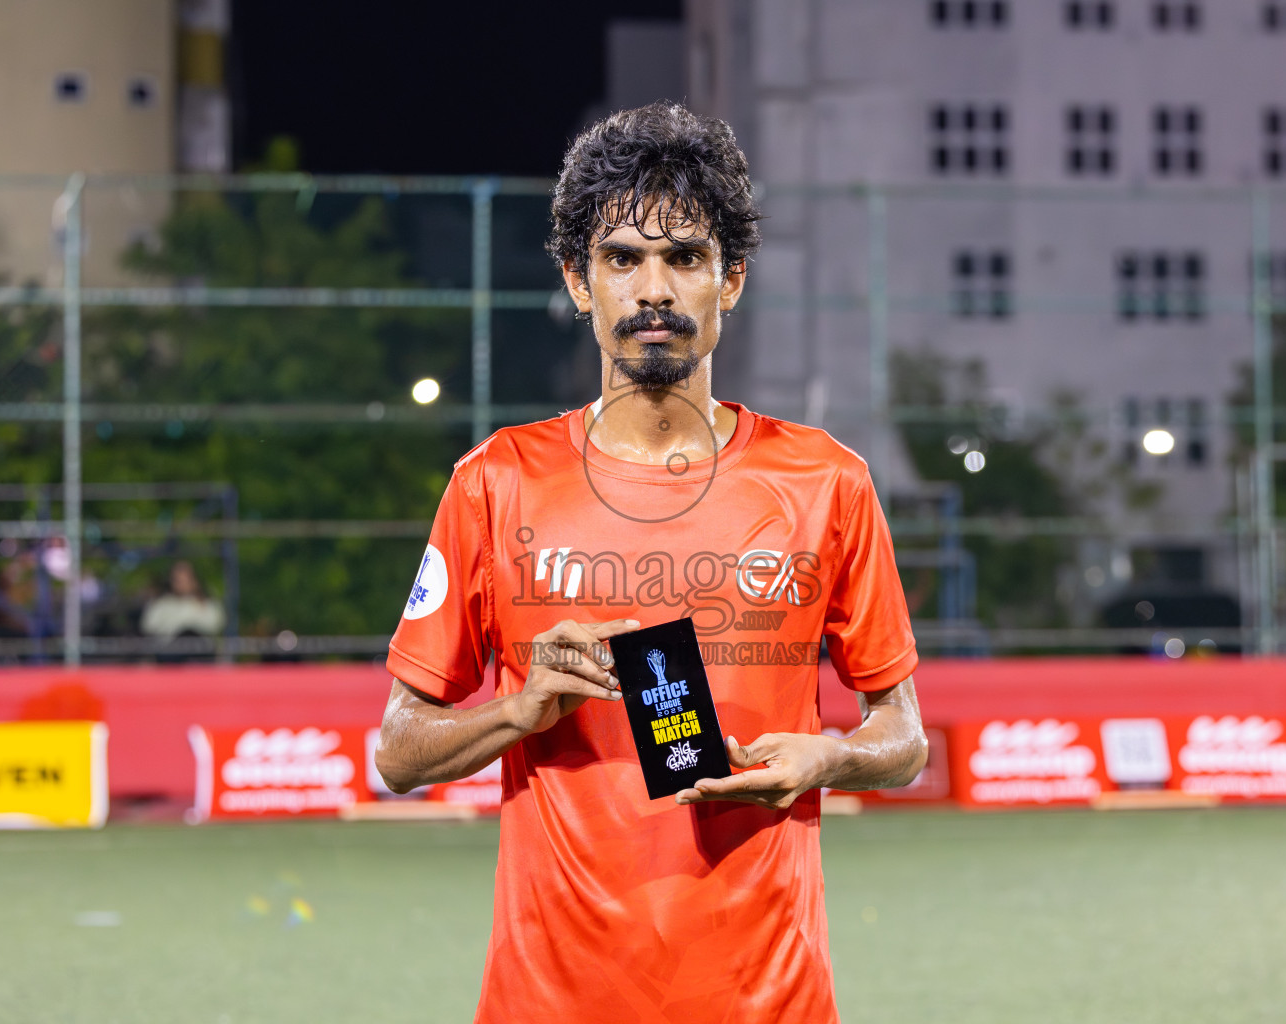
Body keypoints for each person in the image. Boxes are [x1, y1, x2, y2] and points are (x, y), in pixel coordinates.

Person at [374, 102, 927, 1023]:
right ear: (578, 281)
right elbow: (397, 752)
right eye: (622, 259)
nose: (654, 290)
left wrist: (828, 757)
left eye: (686, 257)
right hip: (550, 1002)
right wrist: (517, 710)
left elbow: (902, 735)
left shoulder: (827, 481)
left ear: (730, 280)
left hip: (768, 1000)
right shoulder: (494, 482)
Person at [139, 560, 223, 642]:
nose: (182, 583)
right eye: (177, 580)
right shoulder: (161, 604)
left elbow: (216, 624)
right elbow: (148, 626)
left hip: (200, 648)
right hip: (171, 649)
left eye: (185, 579)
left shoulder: (207, 603)